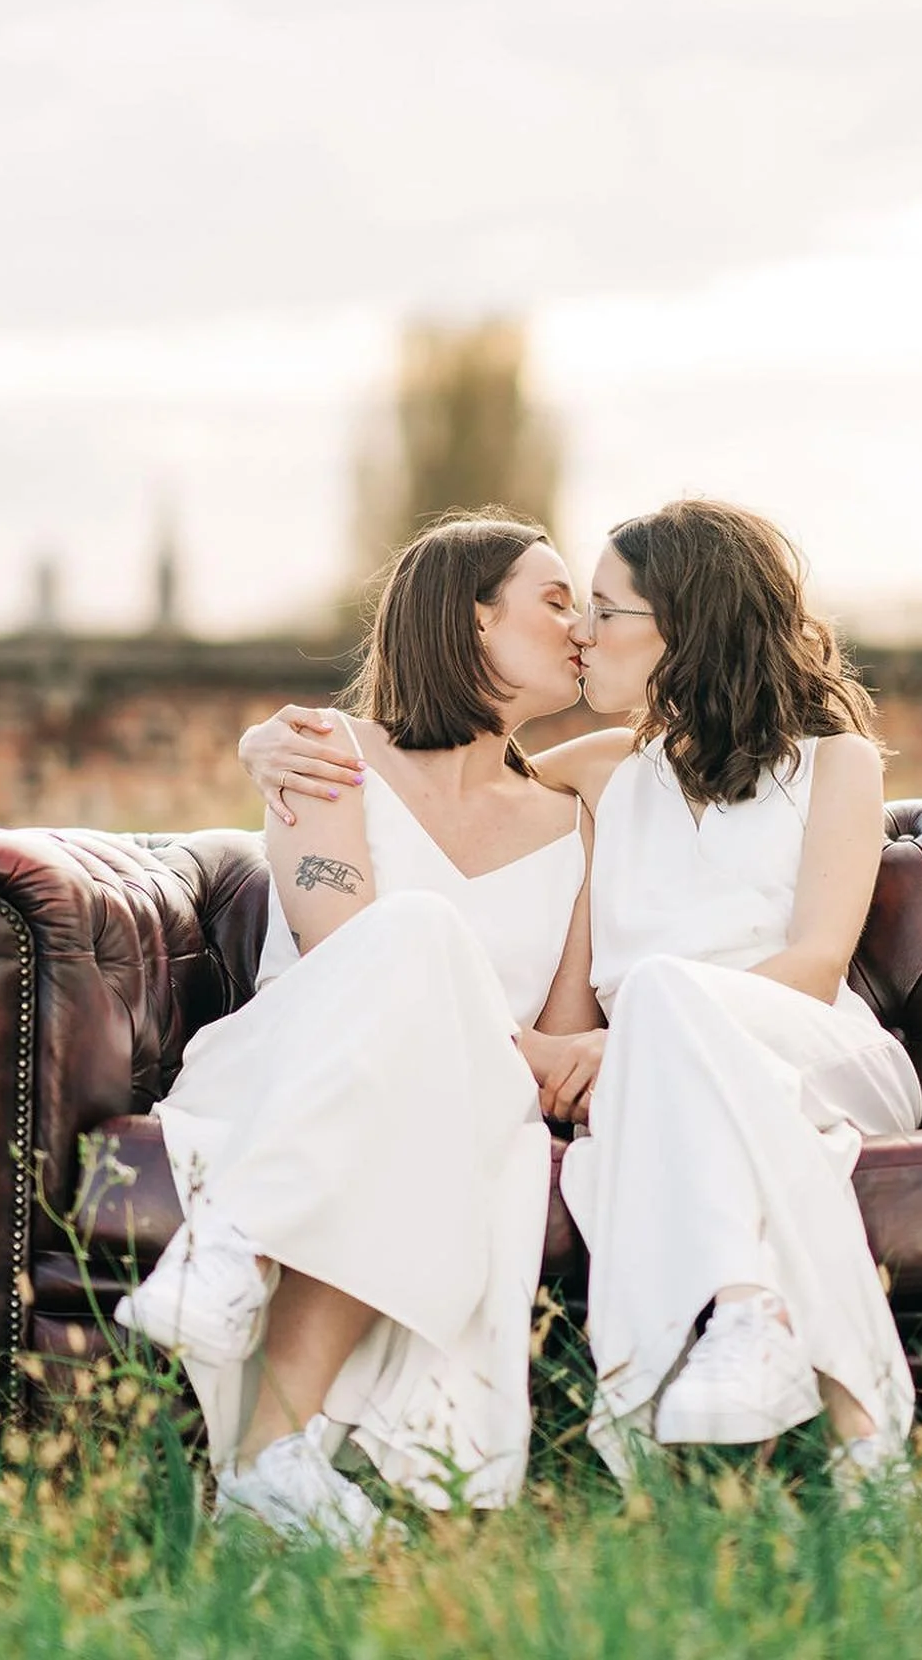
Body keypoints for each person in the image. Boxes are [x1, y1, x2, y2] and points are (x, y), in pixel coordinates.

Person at [241, 499, 922, 1492]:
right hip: (663, 1086)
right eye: (575, 608)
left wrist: (644, 1033)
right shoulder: (604, 770)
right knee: (758, 1139)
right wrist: (270, 748)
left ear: (681, 628)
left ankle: (754, 1321)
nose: (580, 632)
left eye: (604, 611)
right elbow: (434, 783)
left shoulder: (834, 765)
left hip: (816, 1053)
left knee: (659, 997)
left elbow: (817, 965)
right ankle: (859, 1445)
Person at [117, 512, 599, 1547]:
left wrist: (557, 1060)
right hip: (297, 1066)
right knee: (407, 941)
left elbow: (557, 1044)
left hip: (472, 1099)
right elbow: (346, 955)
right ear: (472, 619)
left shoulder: (573, 819)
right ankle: (266, 1406)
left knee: (423, 1025)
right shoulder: (327, 755)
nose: (582, 625)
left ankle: (255, 1372)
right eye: (554, 599)